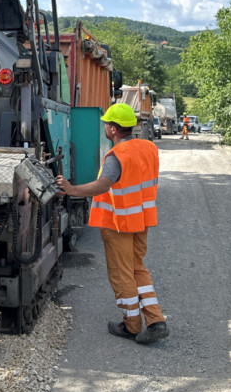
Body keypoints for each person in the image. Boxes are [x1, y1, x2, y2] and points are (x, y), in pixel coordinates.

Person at [55, 103, 169, 345]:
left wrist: (72, 189)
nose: (105, 127)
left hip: (119, 222)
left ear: (114, 129)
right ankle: (156, 320)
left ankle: (131, 326)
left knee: (121, 274)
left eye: (107, 123)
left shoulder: (116, 156)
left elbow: (104, 184)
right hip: (141, 219)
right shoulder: (148, 148)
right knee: (138, 268)